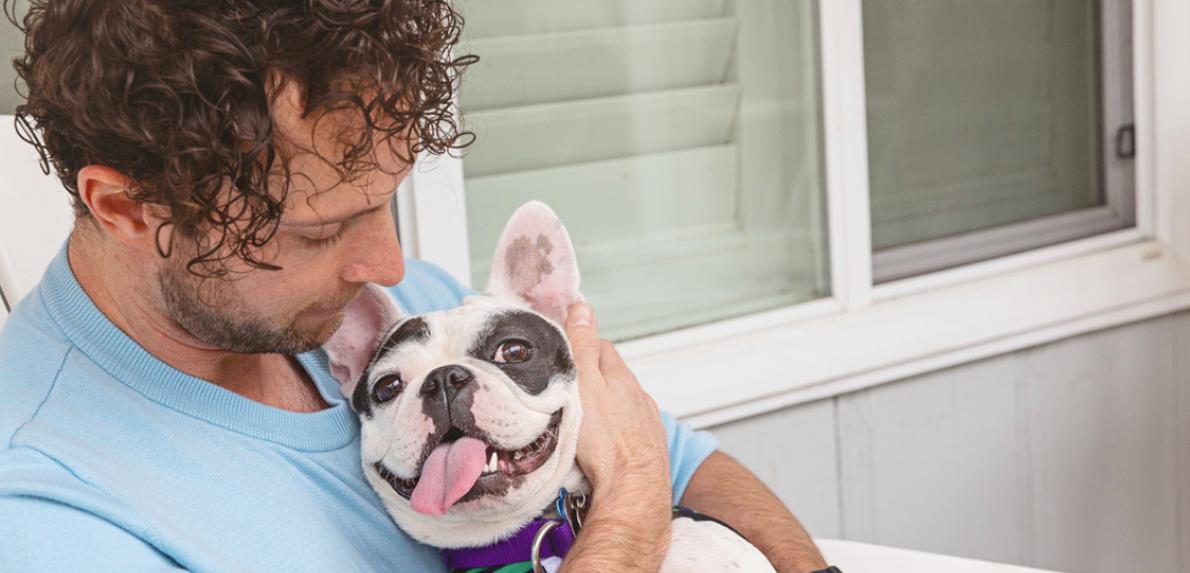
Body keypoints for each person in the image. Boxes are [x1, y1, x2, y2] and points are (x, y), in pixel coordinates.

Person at [0, 1, 830, 571]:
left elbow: (687, 462)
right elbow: (648, 471)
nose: (389, 265)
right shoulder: (52, 510)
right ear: (128, 207)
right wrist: (632, 507)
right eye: (320, 228)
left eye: (386, 200)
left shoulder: (403, 320)